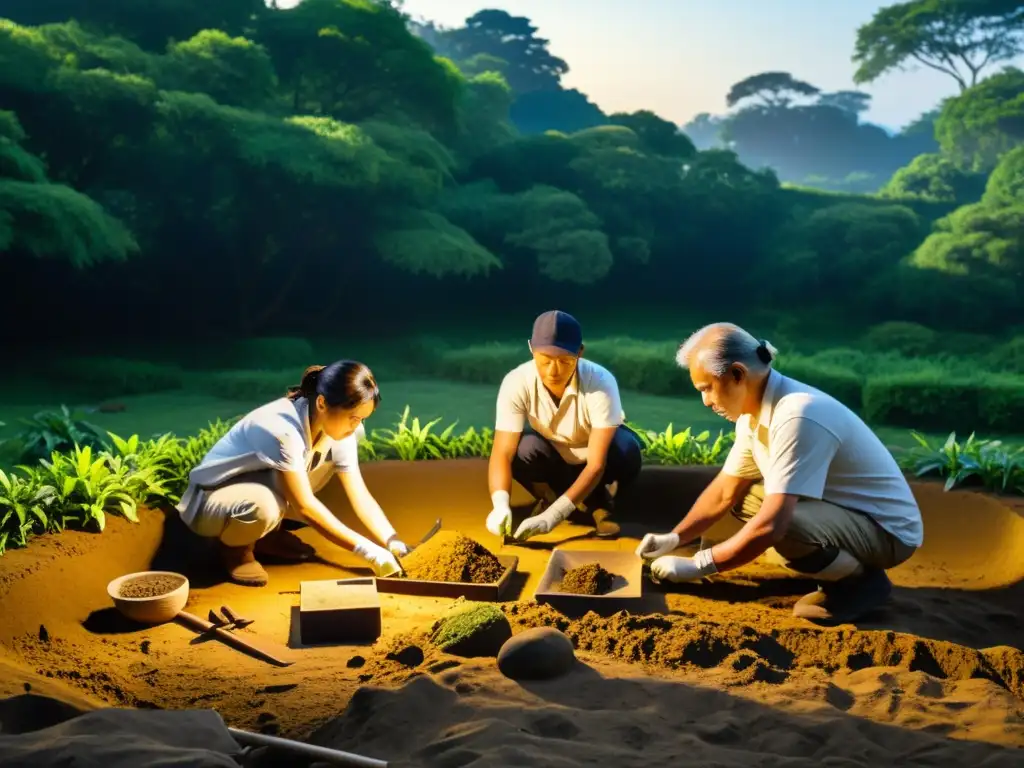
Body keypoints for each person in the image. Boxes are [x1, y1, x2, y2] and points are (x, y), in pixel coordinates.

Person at [635, 322, 923, 624]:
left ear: (737, 374)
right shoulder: (753, 414)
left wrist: (700, 565)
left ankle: (858, 582)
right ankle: (835, 561)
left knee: (782, 525)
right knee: (749, 499)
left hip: (887, 532)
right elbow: (725, 491)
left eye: (706, 388)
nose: (705, 401)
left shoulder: (799, 414)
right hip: (848, 512)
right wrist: (675, 537)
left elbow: (772, 524)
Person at [175, 361, 407, 586]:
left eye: (362, 419)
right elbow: (304, 506)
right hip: (209, 501)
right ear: (323, 403)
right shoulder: (282, 430)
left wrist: (391, 540)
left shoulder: (341, 430)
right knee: (265, 506)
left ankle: (266, 536)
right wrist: (371, 553)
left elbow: (359, 493)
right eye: (353, 417)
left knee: (311, 472)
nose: (357, 426)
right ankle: (236, 550)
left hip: (256, 484)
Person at [485, 310, 644, 542]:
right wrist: (499, 504)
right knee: (523, 449)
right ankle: (556, 496)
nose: (553, 371)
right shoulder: (516, 382)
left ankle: (599, 502)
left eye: (564, 361)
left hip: (597, 455)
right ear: (531, 348)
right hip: (554, 456)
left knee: (626, 449)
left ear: (580, 352)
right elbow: (502, 452)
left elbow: (596, 465)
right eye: (545, 360)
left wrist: (554, 516)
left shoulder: (600, 381)